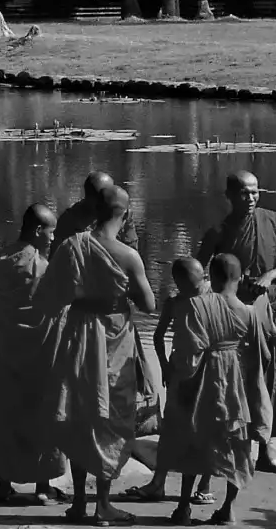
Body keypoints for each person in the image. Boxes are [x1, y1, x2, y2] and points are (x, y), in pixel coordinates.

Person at [36, 185, 158, 526]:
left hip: (78, 334)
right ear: (126, 214)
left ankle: (79, 503)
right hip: (115, 337)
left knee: (80, 414)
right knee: (111, 418)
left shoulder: (71, 245)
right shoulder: (128, 255)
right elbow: (149, 305)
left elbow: (47, 300)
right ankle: (102, 504)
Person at [193, 170, 276, 475]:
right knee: (234, 383)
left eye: (254, 192)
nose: (250, 198)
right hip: (231, 317)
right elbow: (201, 271)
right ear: (229, 195)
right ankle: (227, 453)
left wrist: (269, 276)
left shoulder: (275, 222)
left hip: (266, 312)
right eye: (243, 193)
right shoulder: (219, 231)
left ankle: (266, 450)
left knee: (267, 379)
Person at [165, 254, 269, 527]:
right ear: (240, 278)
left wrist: (179, 381)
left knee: (193, 438)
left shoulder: (197, 305)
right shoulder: (248, 311)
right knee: (237, 443)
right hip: (235, 385)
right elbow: (264, 356)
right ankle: (227, 510)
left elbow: (188, 353)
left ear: (210, 274)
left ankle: (183, 508)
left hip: (201, 382)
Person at [0, 204, 67, 504]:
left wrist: (10, 323)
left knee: (5, 413)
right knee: (40, 413)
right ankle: (42, 488)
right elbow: (57, 310)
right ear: (39, 230)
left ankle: (3, 484)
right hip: (41, 353)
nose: (54, 238)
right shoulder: (43, 269)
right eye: (51, 231)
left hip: (6, 351)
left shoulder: (0, 260)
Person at [129, 258, 213, 505]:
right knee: (172, 429)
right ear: (179, 284)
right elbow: (158, 337)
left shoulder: (213, 297)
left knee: (208, 428)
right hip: (180, 371)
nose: (197, 291)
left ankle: (205, 484)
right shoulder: (175, 303)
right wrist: (164, 365)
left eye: (200, 284)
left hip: (209, 372)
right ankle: (158, 483)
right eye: (190, 287)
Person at [53, 172, 140, 255]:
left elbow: (131, 248)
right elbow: (57, 255)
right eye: (107, 197)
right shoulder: (70, 220)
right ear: (90, 199)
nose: (114, 198)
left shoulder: (122, 214)